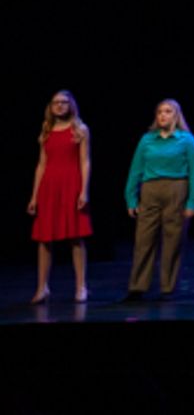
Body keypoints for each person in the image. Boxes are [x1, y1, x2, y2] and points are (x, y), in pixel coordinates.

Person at [122, 99, 194, 301]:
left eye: (168, 111)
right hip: (150, 190)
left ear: (176, 115)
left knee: (172, 240)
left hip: (176, 189)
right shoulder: (147, 140)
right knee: (143, 240)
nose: (163, 115)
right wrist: (131, 198)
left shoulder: (187, 140)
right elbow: (135, 170)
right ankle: (137, 287)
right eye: (160, 112)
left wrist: (193, 202)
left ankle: (167, 288)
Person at [28, 89, 92, 303]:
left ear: (71, 105)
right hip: (49, 187)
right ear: (50, 106)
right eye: (55, 102)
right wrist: (34, 196)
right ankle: (42, 287)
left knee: (76, 236)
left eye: (64, 102)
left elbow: (85, 161)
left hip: (71, 184)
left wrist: (84, 190)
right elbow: (41, 165)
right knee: (44, 238)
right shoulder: (47, 129)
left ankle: (81, 286)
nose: (59, 106)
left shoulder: (80, 129)